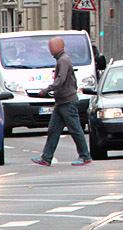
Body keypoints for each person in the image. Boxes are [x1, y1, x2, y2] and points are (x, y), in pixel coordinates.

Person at [32, 37, 92, 166]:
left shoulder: (63, 60)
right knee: (53, 130)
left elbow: (61, 79)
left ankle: (85, 156)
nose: (50, 49)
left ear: (59, 46)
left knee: (75, 129)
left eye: (52, 46)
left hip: (67, 102)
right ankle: (46, 157)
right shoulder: (61, 59)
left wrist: (47, 89)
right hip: (61, 102)